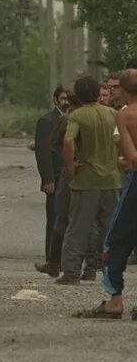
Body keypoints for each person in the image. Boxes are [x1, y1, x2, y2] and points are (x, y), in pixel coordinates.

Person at [77, 70, 137, 319]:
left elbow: (131, 156)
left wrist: (125, 160)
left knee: (114, 239)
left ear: (123, 90)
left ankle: (114, 299)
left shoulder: (124, 115)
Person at [56, 76, 120, 284]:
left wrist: (70, 164)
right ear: (96, 93)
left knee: (78, 228)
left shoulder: (77, 116)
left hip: (86, 181)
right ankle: (103, 269)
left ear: (79, 95)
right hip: (112, 181)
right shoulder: (113, 114)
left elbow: (68, 140)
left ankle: (72, 272)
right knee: (109, 228)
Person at [34, 86, 70, 274]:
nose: (66, 102)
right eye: (63, 98)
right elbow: (43, 154)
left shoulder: (73, 119)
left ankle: (64, 259)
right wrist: (47, 179)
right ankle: (51, 258)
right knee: (54, 218)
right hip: (55, 178)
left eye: (68, 98)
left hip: (70, 177)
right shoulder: (46, 121)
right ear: (56, 100)